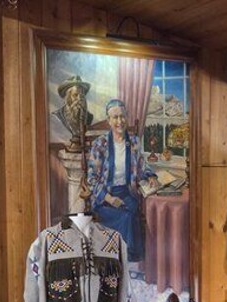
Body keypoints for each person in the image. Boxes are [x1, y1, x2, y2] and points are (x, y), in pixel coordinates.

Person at [86, 99, 159, 264]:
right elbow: (91, 179)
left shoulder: (133, 141)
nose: (120, 121)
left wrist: (151, 176)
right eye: (115, 117)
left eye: (123, 116)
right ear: (108, 120)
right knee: (127, 218)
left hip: (127, 194)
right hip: (104, 198)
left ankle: (123, 261)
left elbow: (141, 166)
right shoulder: (100, 144)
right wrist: (109, 198)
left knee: (131, 212)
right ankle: (123, 261)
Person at [52, 75, 93, 151]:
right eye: (75, 95)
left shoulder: (89, 117)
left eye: (82, 95)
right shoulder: (58, 115)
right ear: (68, 98)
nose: (79, 99)